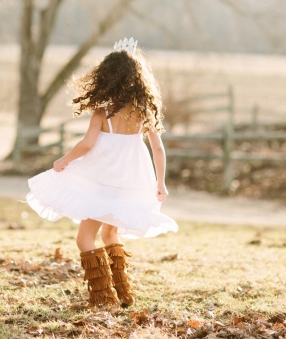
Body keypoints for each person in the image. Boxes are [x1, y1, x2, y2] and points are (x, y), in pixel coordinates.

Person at [26, 37, 179, 308]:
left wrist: (63, 161)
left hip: (103, 181)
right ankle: (123, 295)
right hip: (131, 182)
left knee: (84, 238)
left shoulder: (104, 112)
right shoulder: (143, 111)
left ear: (107, 79)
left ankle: (104, 298)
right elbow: (158, 149)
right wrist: (161, 183)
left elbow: (87, 145)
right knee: (109, 234)